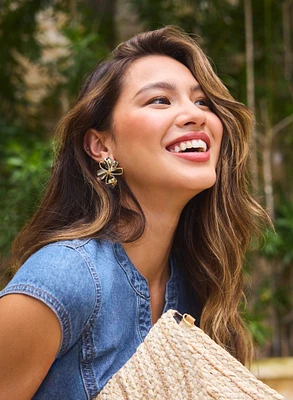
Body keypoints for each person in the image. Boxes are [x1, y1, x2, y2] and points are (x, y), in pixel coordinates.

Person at [0, 26, 268, 399]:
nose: (195, 114)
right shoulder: (63, 278)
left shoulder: (198, 288)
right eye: (160, 100)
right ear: (100, 144)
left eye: (203, 102)